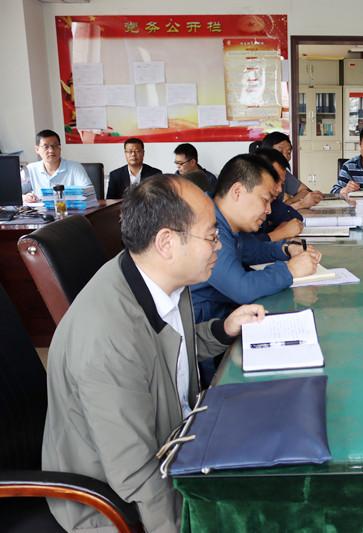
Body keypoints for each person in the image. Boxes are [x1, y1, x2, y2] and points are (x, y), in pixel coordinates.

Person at [41, 175, 266, 532]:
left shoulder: (163, 278)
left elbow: (165, 349)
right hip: (112, 507)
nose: (219, 246)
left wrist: (223, 330)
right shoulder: (107, 337)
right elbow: (134, 473)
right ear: (166, 242)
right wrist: (191, 525)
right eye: (211, 236)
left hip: (174, 445)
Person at [190, 154, 320, 323]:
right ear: (237, 192)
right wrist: (290, 270)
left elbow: (253, 249)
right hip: (202, 328)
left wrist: (286, 249)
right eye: (265, 200)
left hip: (223, 316)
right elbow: (242, 289)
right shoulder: (207, 228)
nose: (268, 210)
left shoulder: (225, 221)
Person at [21, 129, 91, 202]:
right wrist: (25, 197)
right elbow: (15, 193)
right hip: (39, 209)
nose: (51, 150)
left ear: (60, 148)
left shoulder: (75, 168)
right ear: (37, 149)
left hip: (68, 208)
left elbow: (89, 194)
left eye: (55, 146)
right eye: (46, 147)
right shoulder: (30, 169)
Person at [253, 146, 304, 242]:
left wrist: (281, 228)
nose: (280, 189)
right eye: (276, 181)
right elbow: (245, 245)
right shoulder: (243, 207)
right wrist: (279, 234)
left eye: (282, 183)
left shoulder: (272, 202)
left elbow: (296, 217)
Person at [260, 131, 323, 208]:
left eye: (288, 153)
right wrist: (301, 204)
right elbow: (268, 212)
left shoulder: (283, 173)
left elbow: (305, 191)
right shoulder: (258, 174)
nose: (285, 157)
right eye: (280, 152)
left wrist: (289, 202)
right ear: (266, 151)